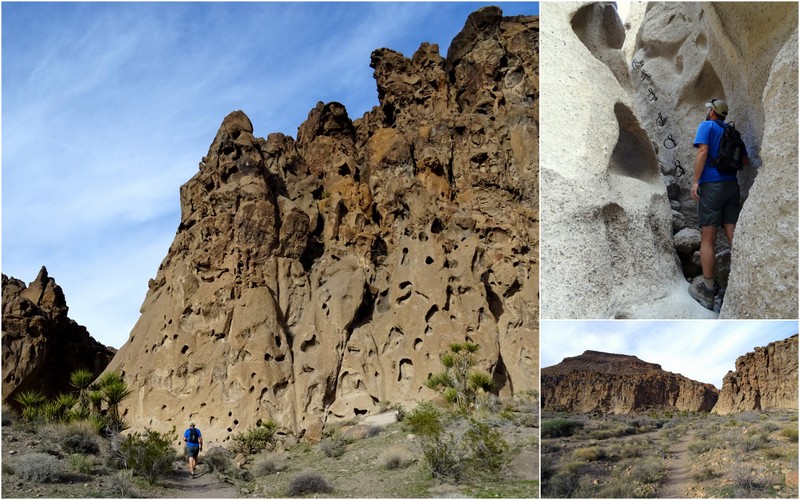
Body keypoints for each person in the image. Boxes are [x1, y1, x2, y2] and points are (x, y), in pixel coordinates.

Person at [689, 98, 750, 309]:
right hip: (732, 187)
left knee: (708, 238)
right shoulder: (733, 132)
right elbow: (745, 161)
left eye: (709, 110)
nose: (708, 113)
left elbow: (702, 152)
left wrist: (696, 181)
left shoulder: (706, 126)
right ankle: (747, 276)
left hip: (712, 188)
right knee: (733, 232)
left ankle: (707, 290)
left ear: (713, 113)